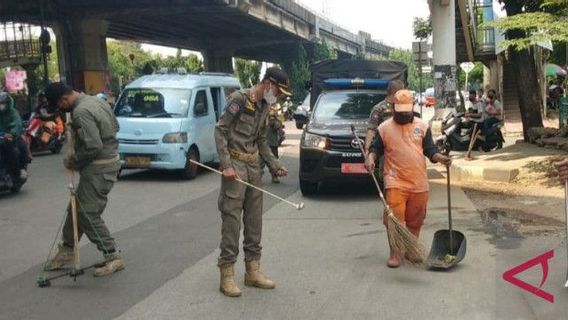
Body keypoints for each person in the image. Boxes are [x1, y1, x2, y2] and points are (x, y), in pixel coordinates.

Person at [214, 67, 290, 297]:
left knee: (254, 220)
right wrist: (226, 164)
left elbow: (261, 140)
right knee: (232, 222)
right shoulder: (238, 99)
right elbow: (220, 131)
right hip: (235, 166)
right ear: (267, 83)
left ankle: (252, 271)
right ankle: (226, 275)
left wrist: (274, 164)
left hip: (254, 167)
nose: (278, 97)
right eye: (278, 91)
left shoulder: (265, 106)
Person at [43, 82, 124, 277]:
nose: (61, 110)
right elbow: (116, 126)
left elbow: (93, 146)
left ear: (64, 99)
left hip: (99, 168)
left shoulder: (81, 112)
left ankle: (112, 255)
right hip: (106, 163)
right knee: (75, 209)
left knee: (87, 213)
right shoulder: (97, 101)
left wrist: (73, 161)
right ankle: (68, 249)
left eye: (60, 106)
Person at [365, 89, 451, 268]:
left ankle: (411, 250)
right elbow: (375, 149)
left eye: (407, 111)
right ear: (394, 108)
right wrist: (371, 158)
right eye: (400, 111)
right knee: (394, 219)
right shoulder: (384, 128)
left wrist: (440, 158)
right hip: (394, 180)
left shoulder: (422, 126)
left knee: (416, 219)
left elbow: (430, 150)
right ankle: (395, 253)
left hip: (418, 182)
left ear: (412, 107)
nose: (404, 114)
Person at [0, 92, 27, 181]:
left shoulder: (13, 112)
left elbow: (17, 124)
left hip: (11, 138)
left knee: (20, 147)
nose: (1, 105)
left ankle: (20, 170)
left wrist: (12, 133)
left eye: (2, 103)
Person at [266, 106, 283, 183]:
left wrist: (273, 121)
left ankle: (274, 176)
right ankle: (256, 177)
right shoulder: (262, 119)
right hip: (262, 143)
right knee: (258, 163)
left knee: (273, 161)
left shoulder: (276, 122)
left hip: (272, 144)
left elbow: (278, 126)